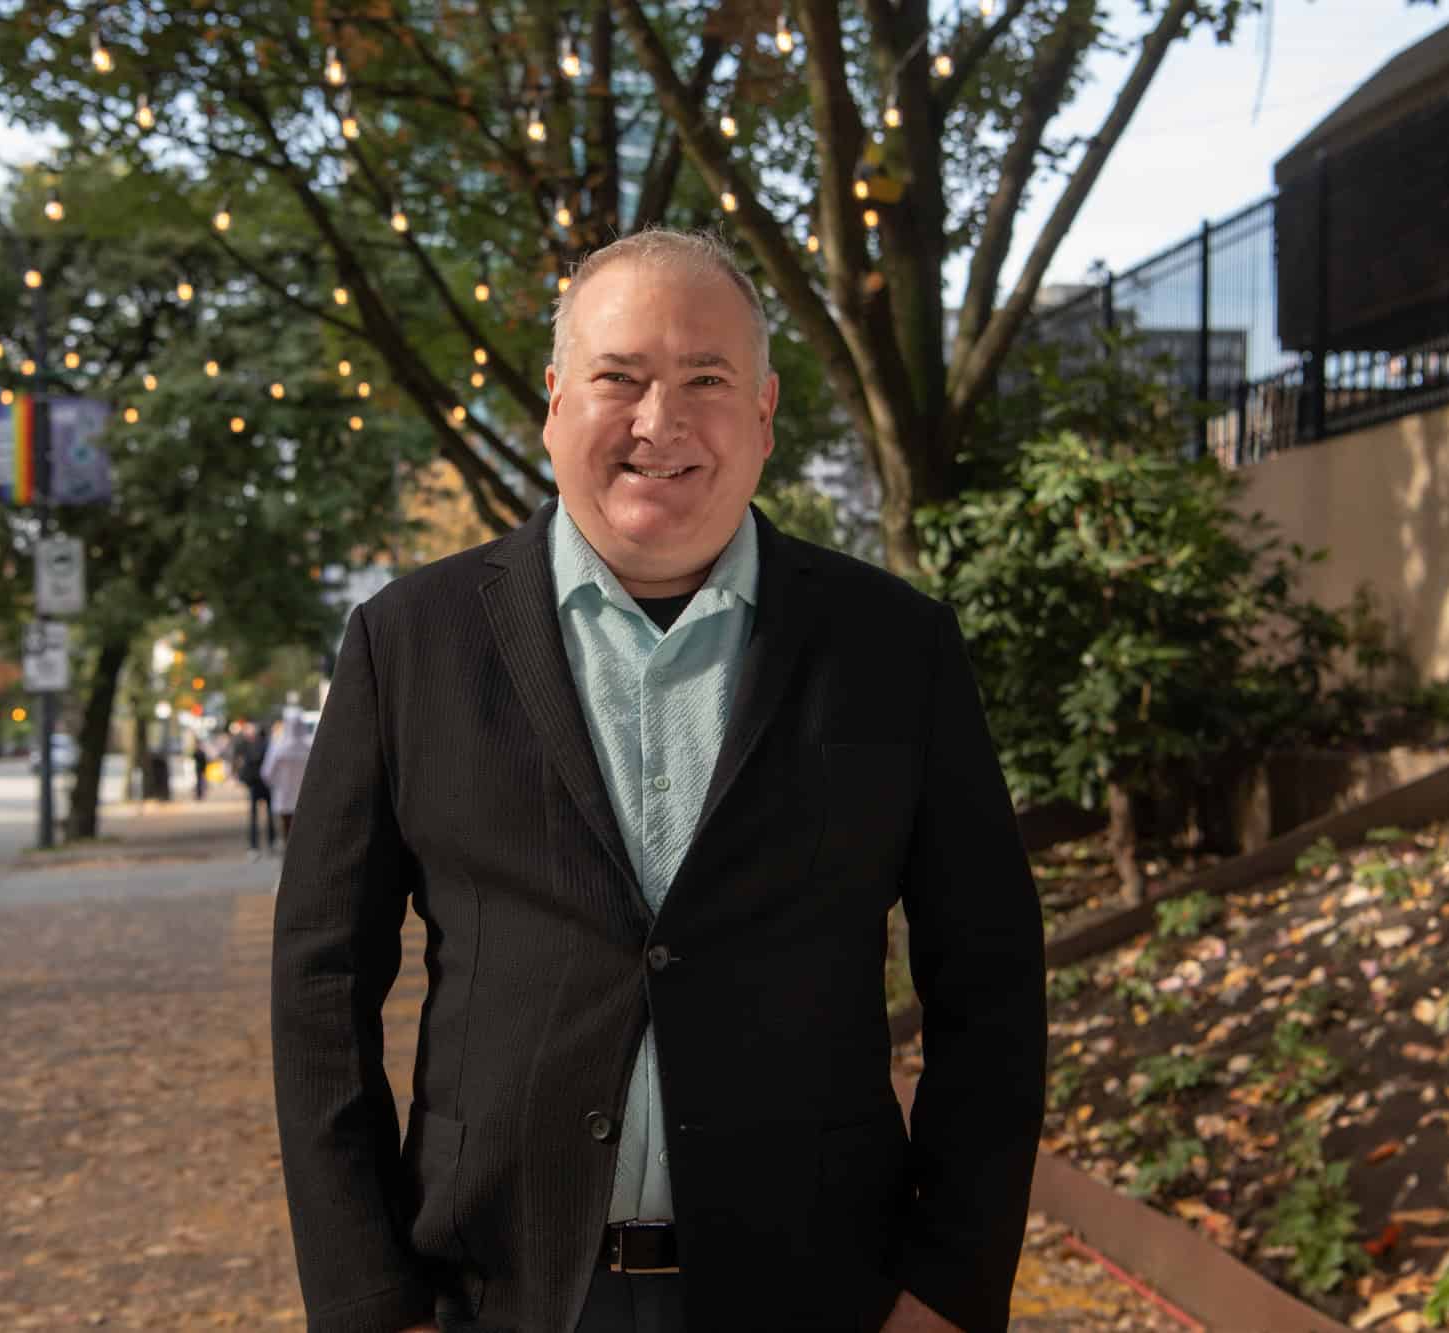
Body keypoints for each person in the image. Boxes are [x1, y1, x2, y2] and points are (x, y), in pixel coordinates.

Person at [271, 228, 1046, 1333]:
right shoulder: (409, 645)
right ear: (552, 402)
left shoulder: (895, 651)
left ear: (765, 414)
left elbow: (992, 982)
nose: (659, 421)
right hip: (494, 1293)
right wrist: (365, 1299)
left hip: (820, 1290)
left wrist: (950, 1286)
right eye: (618, 378)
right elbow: (316, 985)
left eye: (705, 381)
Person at [259, 715, 313, 847]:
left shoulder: (279, 748)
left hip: (284, 797)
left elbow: (267, 773)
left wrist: (276, 785)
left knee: (288, 833)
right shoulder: (310, 748)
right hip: (306, 798)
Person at [239, 721, 277, 858]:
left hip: (255, 784)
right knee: (269, 815)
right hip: (266, 783)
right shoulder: (268, 746)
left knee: (254, 816)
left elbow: (245, 762)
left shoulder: (251, 746)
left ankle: (254, 846)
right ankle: (271, 842)